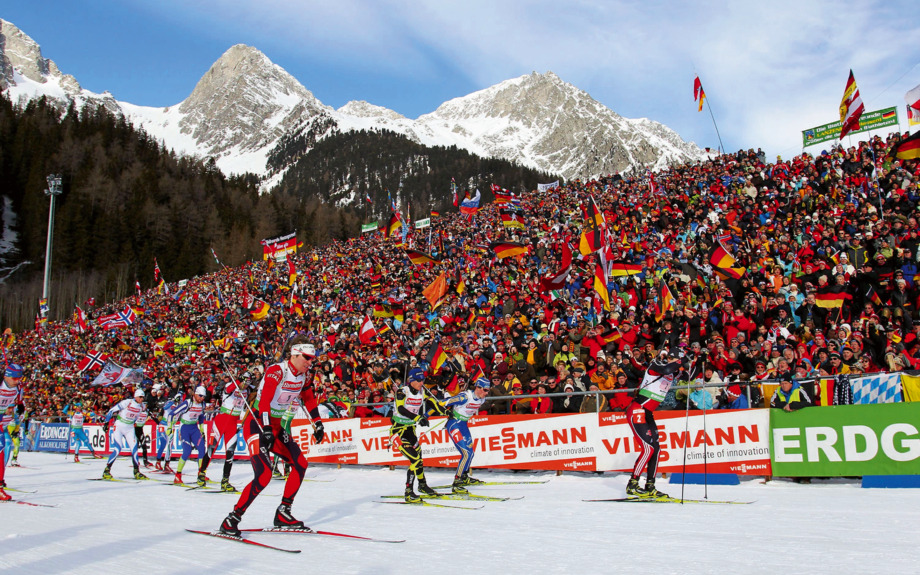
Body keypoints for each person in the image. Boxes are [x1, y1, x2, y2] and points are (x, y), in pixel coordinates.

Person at [219, 340, 325, 536]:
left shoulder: (305, 375)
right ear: (294, 354)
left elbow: (308, 398)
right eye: (307, 358)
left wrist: (317, 422)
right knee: (264, 474)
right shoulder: (277, 371)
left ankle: (284, 512)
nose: (310, 362)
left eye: (312, 359)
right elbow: (266, 399)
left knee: (300, 463)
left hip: (275, 427)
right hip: (257, 423)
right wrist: (266, 427)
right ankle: (232, 519)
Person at [625, 349, 683, 499]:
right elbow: (667, 368)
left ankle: (650, 485)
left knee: (656, 449)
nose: (678, 364)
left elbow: (687, 372)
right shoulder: (656, 365)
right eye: (676, 359)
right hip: (638, 409)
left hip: (648, 413)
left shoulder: (672, 372)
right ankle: (632, 484)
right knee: (648, 448)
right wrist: (683, 360)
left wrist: (699, 358)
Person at [390, 369, 441, 502]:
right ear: (411, 380)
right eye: (418, 380)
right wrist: (418, 417)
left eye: (422, 380)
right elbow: (401, 409)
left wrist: (445, 409)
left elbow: (433, 403)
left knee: (420, 459)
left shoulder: (422, 391)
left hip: (410, 430)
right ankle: (408, 492)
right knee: (415, 459)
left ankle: (422, 485)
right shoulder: (402, 391)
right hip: (398, 432)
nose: (421, 382)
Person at [199, 376, 249, 492]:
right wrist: (238, 381)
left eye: (248, 383)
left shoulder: (246, 391)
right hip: (221, 421)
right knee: (212, 448)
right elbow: (228, 390)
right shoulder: (230, 386)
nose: (245, 386)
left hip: (232, 424)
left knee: (230, 453)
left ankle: (225, 481)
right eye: (244, 383)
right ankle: (201, 473)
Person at [442, 377, 490, 493]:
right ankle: (456, 482)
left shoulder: (481, 399)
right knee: (466, 453)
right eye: (484, 390)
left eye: (488, 390)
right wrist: (428, 415)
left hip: (463, 425)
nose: (486, 393)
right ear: (478, 388)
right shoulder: (464, 397)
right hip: (454, 424)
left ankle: (464, 476)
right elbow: (443, 402)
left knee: (471, 453)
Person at [102, 388, 149, 480]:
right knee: (118, 448)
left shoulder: (142, 406)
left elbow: (138, 416)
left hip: (130, 428)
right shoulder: (127, 402)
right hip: (119, 426)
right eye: (140, 397)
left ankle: (136, 472)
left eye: (143, 397)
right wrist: (106, 422)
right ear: (135, 396)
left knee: (135, 449)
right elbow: (112, 410)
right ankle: (106, 470)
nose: (141, 399)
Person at [170, 385, 210, 486]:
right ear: (195, 394)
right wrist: (169, 428)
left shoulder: (203, 404)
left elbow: (201, 416)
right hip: (185, 429)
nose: (202, 398)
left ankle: (201, 474)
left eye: (203, 396)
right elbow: (172, 413)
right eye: (200, 396)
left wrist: (201, 429)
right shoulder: (188, 403)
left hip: (194, 428)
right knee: (187, 451)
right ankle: (178, 475)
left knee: (202, 449)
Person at [0, 364, 25, 500]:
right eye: (15, 378)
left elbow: (19, 402)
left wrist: (21, 407)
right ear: (6, 376)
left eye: (19, 378)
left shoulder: (18, 387)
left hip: (0, 419)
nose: (17, 380)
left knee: (1, 449)